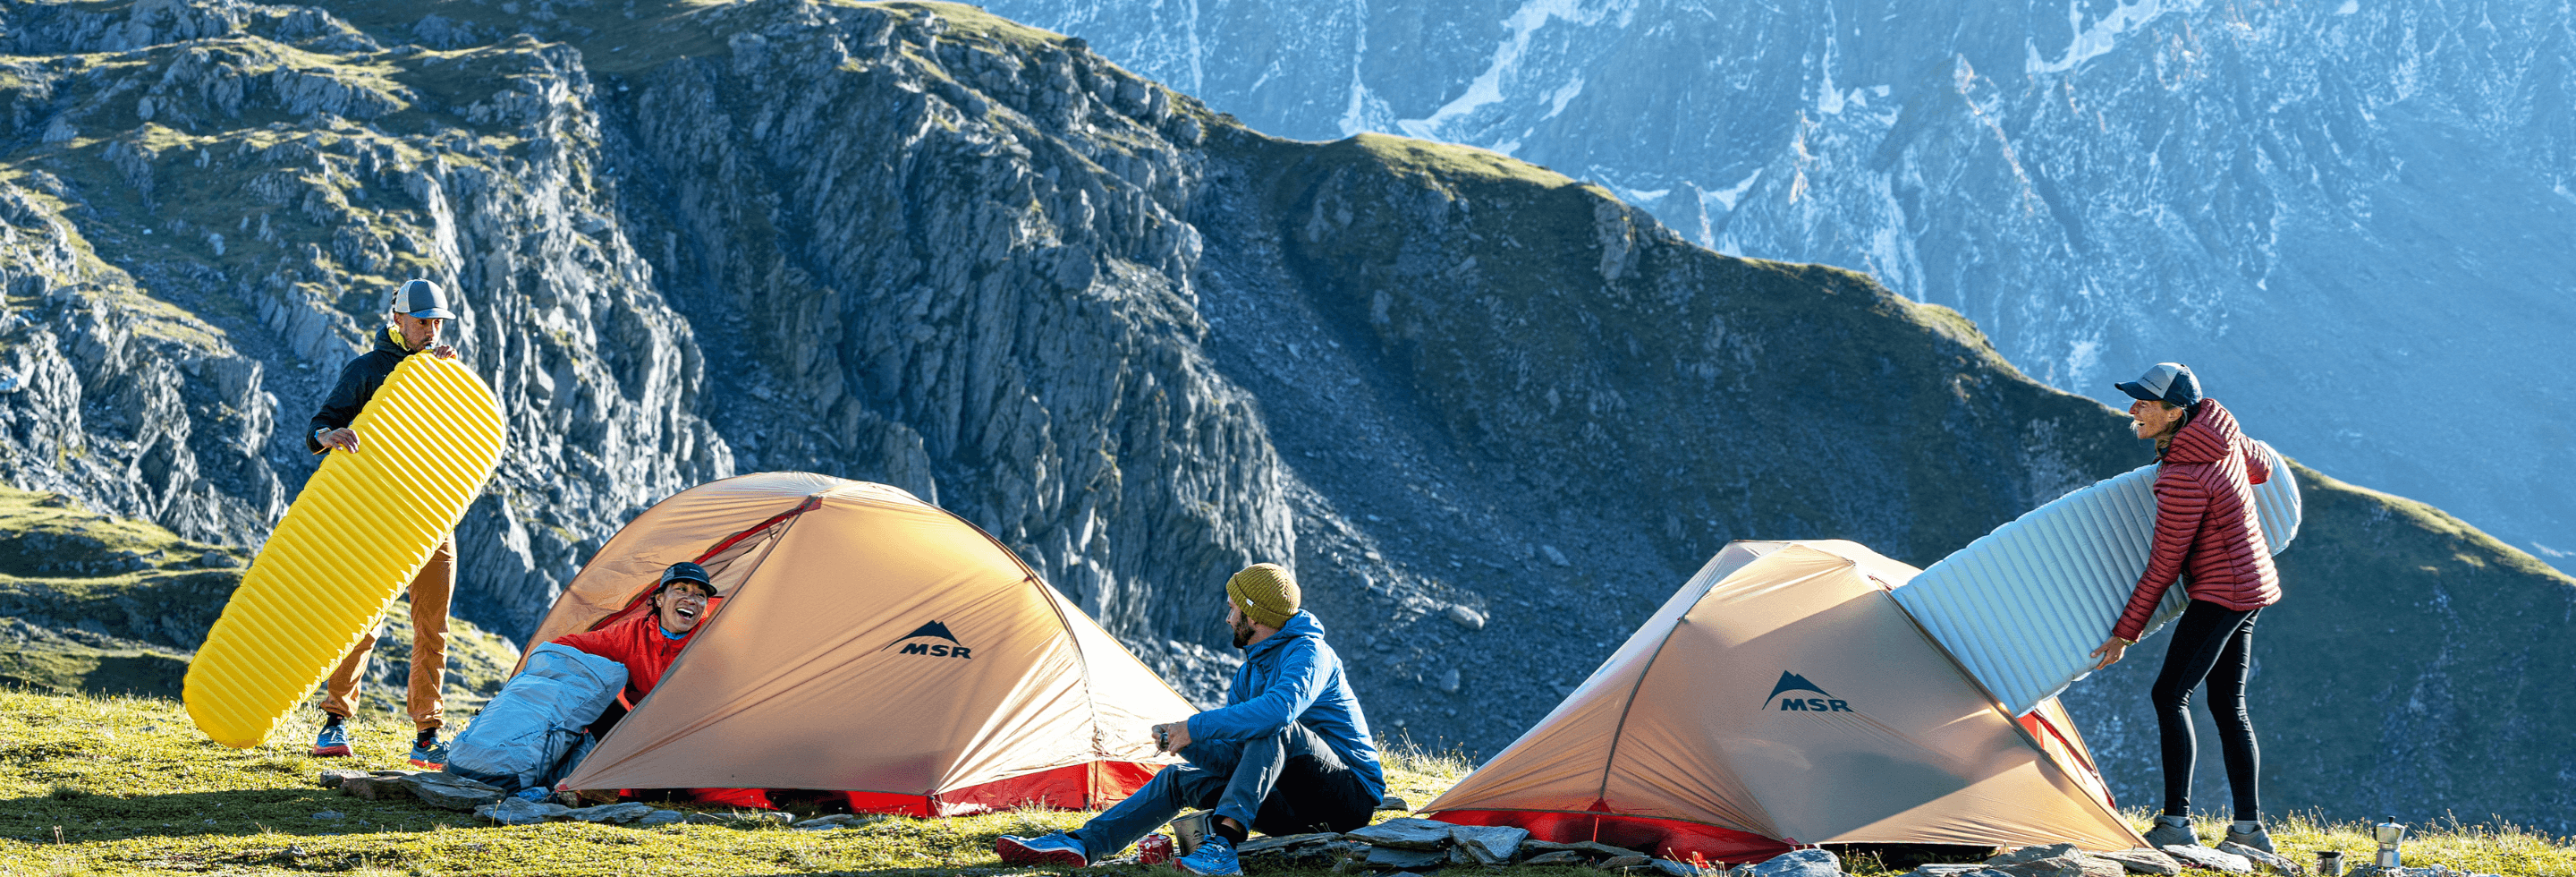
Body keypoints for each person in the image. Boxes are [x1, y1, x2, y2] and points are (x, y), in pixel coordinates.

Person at [996, 563, 1383, 877]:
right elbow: (1239, 761)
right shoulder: (1249, 673)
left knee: (1274, 726)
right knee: (1178, 779)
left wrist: (1194, 727)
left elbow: (1278, 713)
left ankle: (1223, 849)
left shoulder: (1310, 653)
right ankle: (1083, 844)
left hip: (1347, 799)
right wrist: (1186, 743)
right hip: (1291, 805)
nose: (1228, 618)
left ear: (1253, 614)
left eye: (1233, 608)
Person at [2086, 362, 2282, 854]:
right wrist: (2230, 442)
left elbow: (2164, 564)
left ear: (2175, 413)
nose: (2132, 410)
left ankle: (2176, 822)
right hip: (2253, 582)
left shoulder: (2183, 477)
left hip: (2224, 591)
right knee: (2227, 704)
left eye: (2144, 403)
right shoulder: (2221, 435)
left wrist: (2124, 633)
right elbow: (2263, 469)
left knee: (2169, 694)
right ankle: (2249, 832)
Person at [308, 278, 462, 768]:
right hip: (377, 516)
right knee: (361, 622)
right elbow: (321, 423)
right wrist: (329, 436)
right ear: (397, 320)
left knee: (433, 629)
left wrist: (450, 384)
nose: (431, 330)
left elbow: (463, 439)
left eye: (437, 322)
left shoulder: (444, 372)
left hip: (432, 515)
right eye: (423, 322)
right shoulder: (367, 370)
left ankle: (428, 736)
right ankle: (334, 723)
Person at [549, 561, 718, 709]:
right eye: (681, 589)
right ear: (660, 599)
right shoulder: (632, 634)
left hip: (694, 728)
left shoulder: (712, 637)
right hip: (637, 727)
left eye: (700, 595)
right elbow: (564, 646)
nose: (691, 600)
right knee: (590, 691)